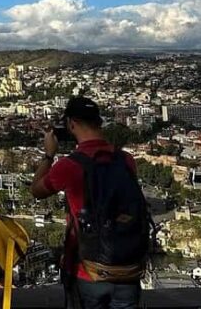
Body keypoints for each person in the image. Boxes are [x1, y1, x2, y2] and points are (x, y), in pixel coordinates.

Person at [30, 96, 145, 309]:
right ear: (99, 123)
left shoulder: (70, 165)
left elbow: (36, 190)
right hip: (127, 268)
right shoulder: (126, 160)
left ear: (71, 124)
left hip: (87, 270)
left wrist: (49, 154)